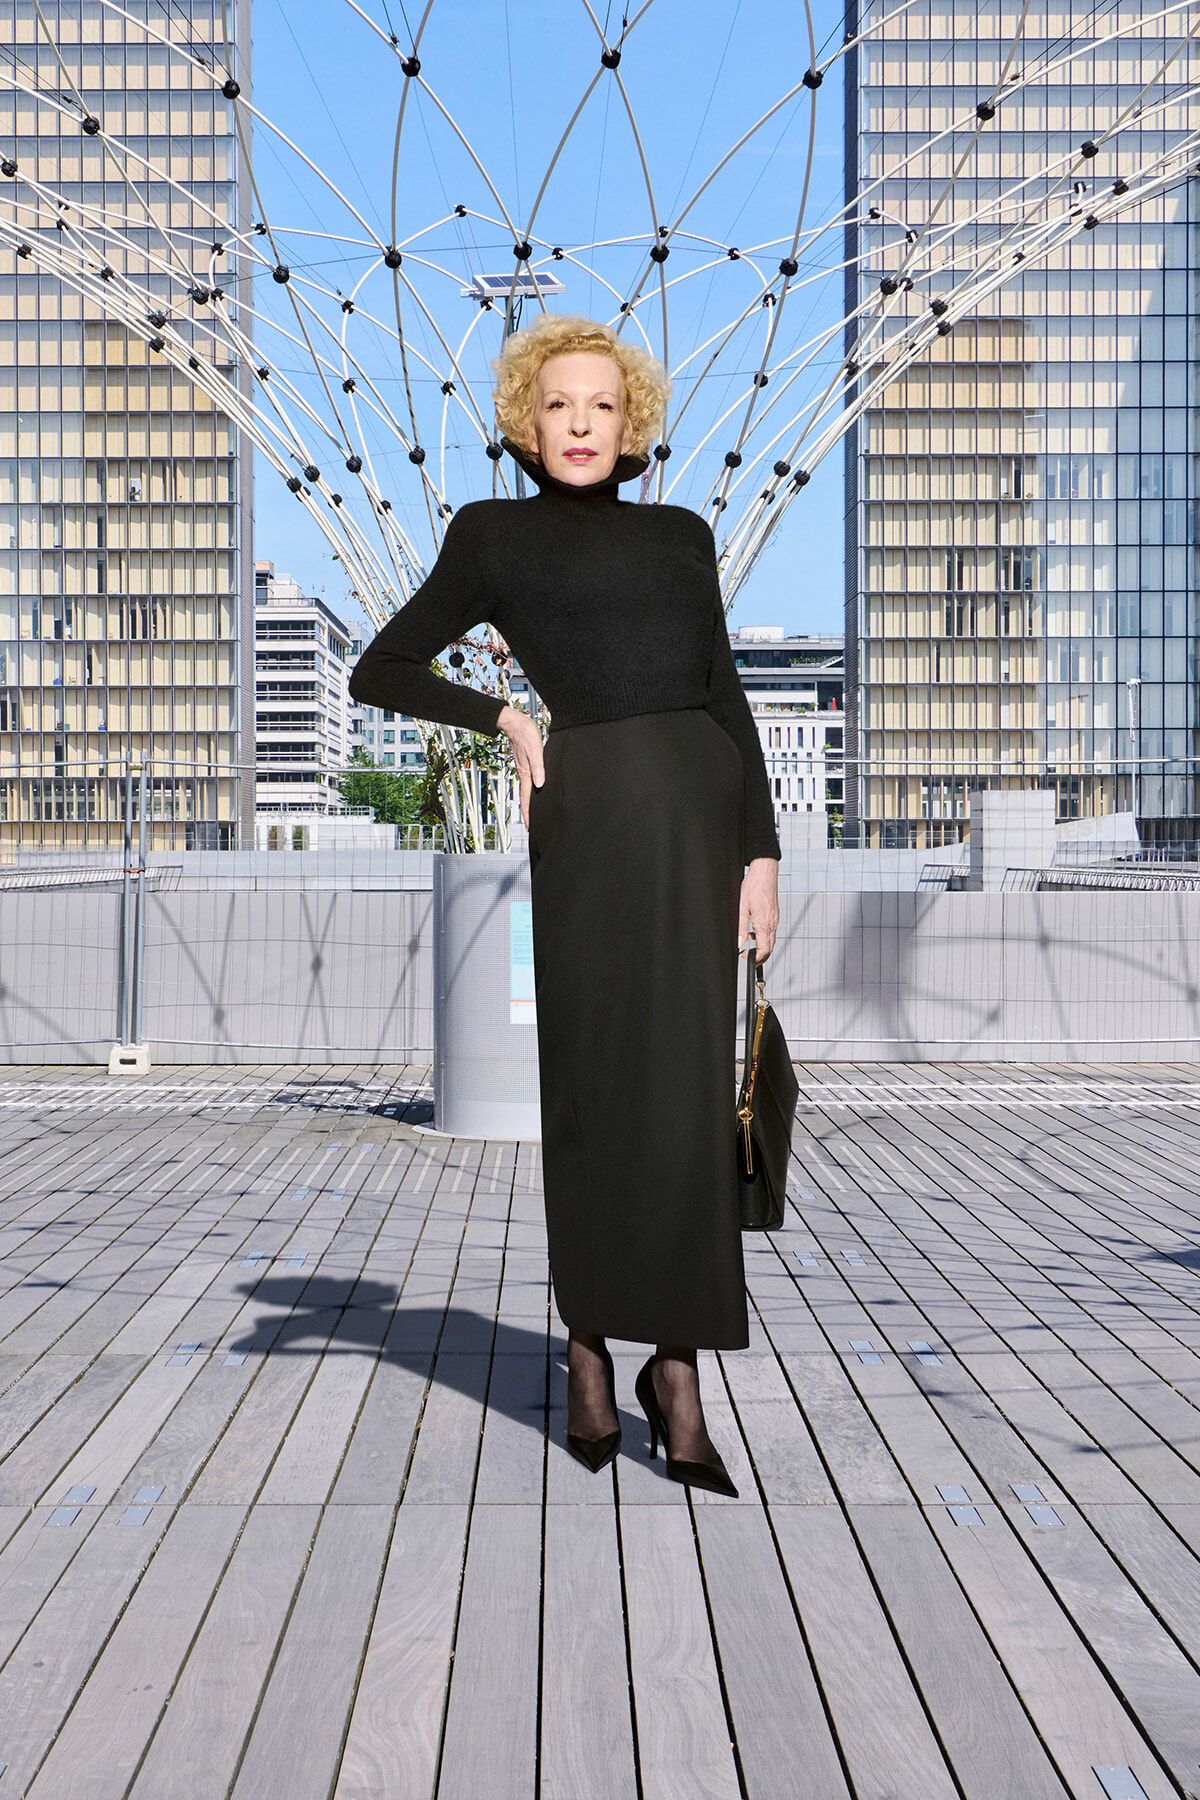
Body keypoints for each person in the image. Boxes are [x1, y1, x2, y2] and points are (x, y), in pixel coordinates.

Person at [350, 314, 780, 1495]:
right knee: (590, 1091)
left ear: (630, 419)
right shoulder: (490, 537)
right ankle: (590, 1350)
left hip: (702, 827)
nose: (581, 424)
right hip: (587, 826)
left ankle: (678, 1375)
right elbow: (378, 668)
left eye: (601, 406)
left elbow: (727, 699)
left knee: (691, 1107)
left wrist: (763, 856)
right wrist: (503, 718)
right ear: (525, 425)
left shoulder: (685, 535)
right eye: (558, 406)